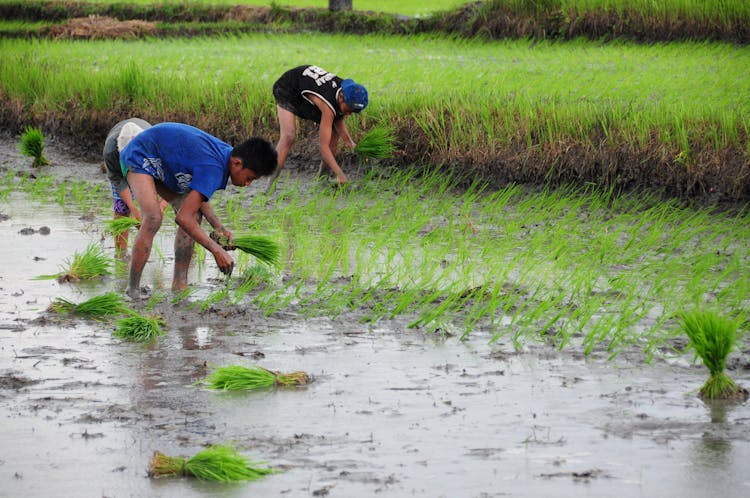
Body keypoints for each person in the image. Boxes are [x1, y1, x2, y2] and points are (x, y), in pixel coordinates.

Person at [118, 122, 277, 299]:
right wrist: (217, 250)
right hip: (140, 154)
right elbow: (183, 218)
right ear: (237, 163)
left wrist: (219, 228)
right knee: (154, 218)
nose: (248, 184)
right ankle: (132, 290)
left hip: (165, 163)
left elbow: (196, 199)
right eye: (249, 178)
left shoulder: (225, 157)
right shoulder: (214, 168)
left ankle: (179, 286)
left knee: (194, 213)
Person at [269, 64, 368, 189]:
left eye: (353, 112)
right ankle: (269, 186)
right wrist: (340, 174)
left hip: (307, 89)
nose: (348, 114)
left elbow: (339, 118)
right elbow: (323, 147)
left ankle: (322, 180)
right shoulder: (328, 105)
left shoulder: (347, 92)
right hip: (288, 88)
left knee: (334, 132)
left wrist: (350, 143)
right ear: (341, 97)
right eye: (348, 110)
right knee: (289, 136)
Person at [102, 118, 162, 257]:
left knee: (153, 211)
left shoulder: (154, 145)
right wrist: (135, 211)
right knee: (122, 209)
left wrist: (160, 207)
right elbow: (117, 180)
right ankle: (121, 256)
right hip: (119, 165)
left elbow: (164, 181)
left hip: (148, 162)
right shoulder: (111, 151)